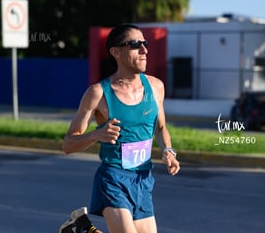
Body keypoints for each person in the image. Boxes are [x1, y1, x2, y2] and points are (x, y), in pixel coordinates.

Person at [62, 23, 180, 233]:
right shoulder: (98, 94)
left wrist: (168, 150)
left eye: (145, 43)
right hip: (114, 177)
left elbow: (161, 128)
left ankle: (82, 230)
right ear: (115, 52)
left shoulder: (155, 87)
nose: (144, 50)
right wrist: (98, 134)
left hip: (143, 179)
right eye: (135, 44)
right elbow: (68, 144)